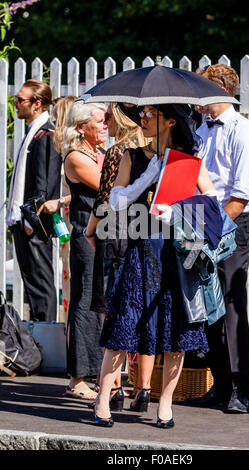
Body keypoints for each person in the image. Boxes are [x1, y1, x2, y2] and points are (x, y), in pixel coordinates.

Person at [93, 102, 216, 428]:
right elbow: (114, 203)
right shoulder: (133, 156)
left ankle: (165, 404)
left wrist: (181, 212)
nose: (143, 118)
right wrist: (146, 178)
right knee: (123, 326)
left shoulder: (188, 162)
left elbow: (213, 205)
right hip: (139, 252)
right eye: (142, 113)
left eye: (150, 114)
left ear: (170, 120)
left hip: (176, 256)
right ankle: (103, 398)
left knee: (177, 332)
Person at [186, 64, 249, 413]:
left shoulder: (244, 131)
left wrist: (212, 230)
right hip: (199, 224)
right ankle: (218, 384)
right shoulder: (200, 129)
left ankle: (239, 389)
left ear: (218, 90)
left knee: (232, 307)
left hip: (231, 226)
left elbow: (242, 193)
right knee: (208, 307)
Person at [85, 102, 149, 406]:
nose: (105, 122)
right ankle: (142, 388)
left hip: (115, 236)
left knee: (111, 313)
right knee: (140, 314)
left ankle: (112, 389)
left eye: (109, 116)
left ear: (121, 118)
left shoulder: (118, 153)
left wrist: (88, 230)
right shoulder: (154, 153)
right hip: (144, 236)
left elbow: (104, 201)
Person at [61, 101, 107, 399]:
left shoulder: (100, 153)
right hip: (84, 235)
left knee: (101, 301)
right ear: (82, 128)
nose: (105, 126)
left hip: (103, 233)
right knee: (85, 299)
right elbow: (109, 186)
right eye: (100, 122)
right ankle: (78, 378)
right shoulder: (76, 157)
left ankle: (100, 373)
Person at [6, 79, 62, 322]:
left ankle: (48, 340)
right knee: (32, 286)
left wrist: (32, 222)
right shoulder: (33, 132)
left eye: (20, 100)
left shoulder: (45, 134)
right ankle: (39, 338)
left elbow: (45, 182)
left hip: (34, 223)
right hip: (24, 221)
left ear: (37, 104)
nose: (15, 104)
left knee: (41, 285)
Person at [35, 95, 76, 323]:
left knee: (72, 280)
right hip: (66, 229)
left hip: (74, 225)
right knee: (67, 278)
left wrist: (59, 202)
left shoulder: (75, 154)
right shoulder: (64, 149)